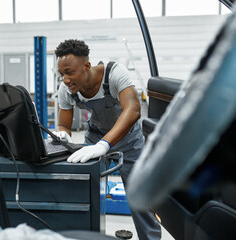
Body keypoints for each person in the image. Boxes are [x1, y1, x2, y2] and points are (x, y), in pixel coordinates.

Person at [53, 39, 161, 240]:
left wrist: (105, 144)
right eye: (61, 74)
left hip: (129, 141)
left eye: (69, 72)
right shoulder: (66, 91)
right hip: (94, 139)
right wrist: (62, 134)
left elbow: (133, 110)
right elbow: (64, 125)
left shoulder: (114, 73)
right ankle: (86, 236)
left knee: (140, 197)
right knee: (85, 192)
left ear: (86, 66)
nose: (65, 80)